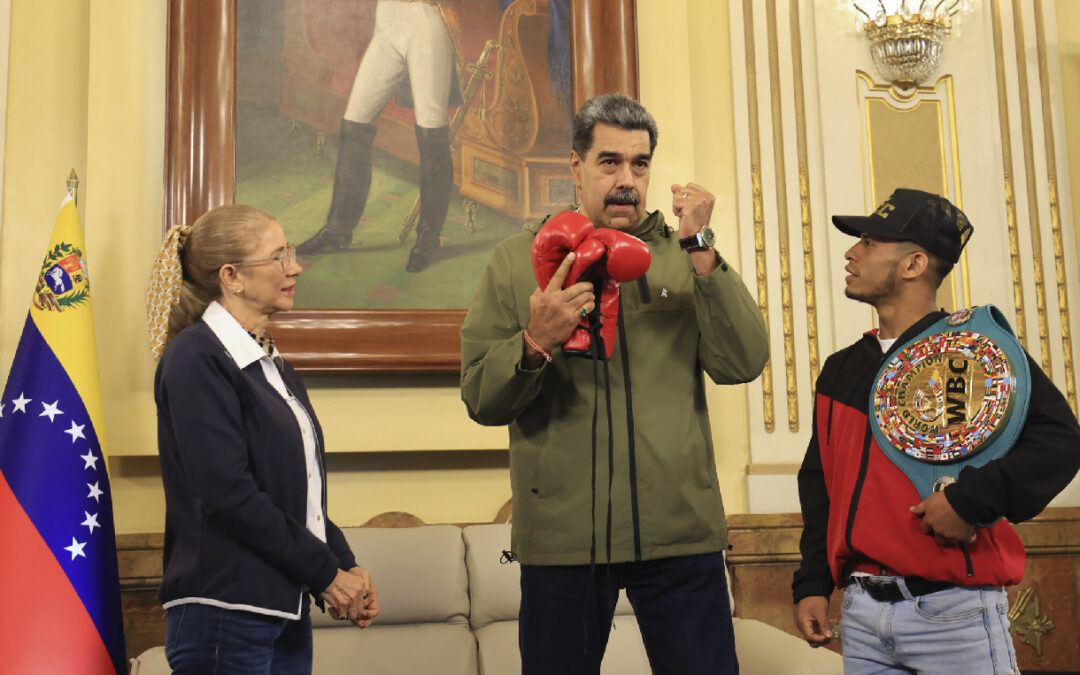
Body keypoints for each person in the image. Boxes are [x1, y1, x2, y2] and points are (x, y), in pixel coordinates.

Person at [460, 93, 769, 674]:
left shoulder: (683, 256)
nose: (627, 179)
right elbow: (480, 398)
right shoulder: (513, 261)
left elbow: (744, 362)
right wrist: (535, 342)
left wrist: (701, 248)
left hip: (680, 535)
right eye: (610, 162)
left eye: (640, 163)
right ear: (576, 167)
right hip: (564, 540)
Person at [793, 188, 1080, 674]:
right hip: (862, 615)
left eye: (869, 242)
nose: (851, 252)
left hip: (954, 613)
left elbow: (1060, 441)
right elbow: (821, 481)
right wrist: (813, 584)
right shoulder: (841, 370)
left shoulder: (972, 351)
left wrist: (970, 501)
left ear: (912, 265)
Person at [146, 204, 380, 674]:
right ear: (231, 276)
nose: (294, 267)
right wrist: (326, 575)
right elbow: (228, 494)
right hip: (224, 612)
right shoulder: (196, 355)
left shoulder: (276, 367)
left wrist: (345, 567)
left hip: (280, 608)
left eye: (290, 253)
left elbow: (297, 494)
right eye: (278, 256)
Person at [296, 0, 458, 273]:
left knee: (432, 130)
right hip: (387, 23)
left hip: (426, 21)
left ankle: (429, 236)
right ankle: (339, 227)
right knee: (354, 124)